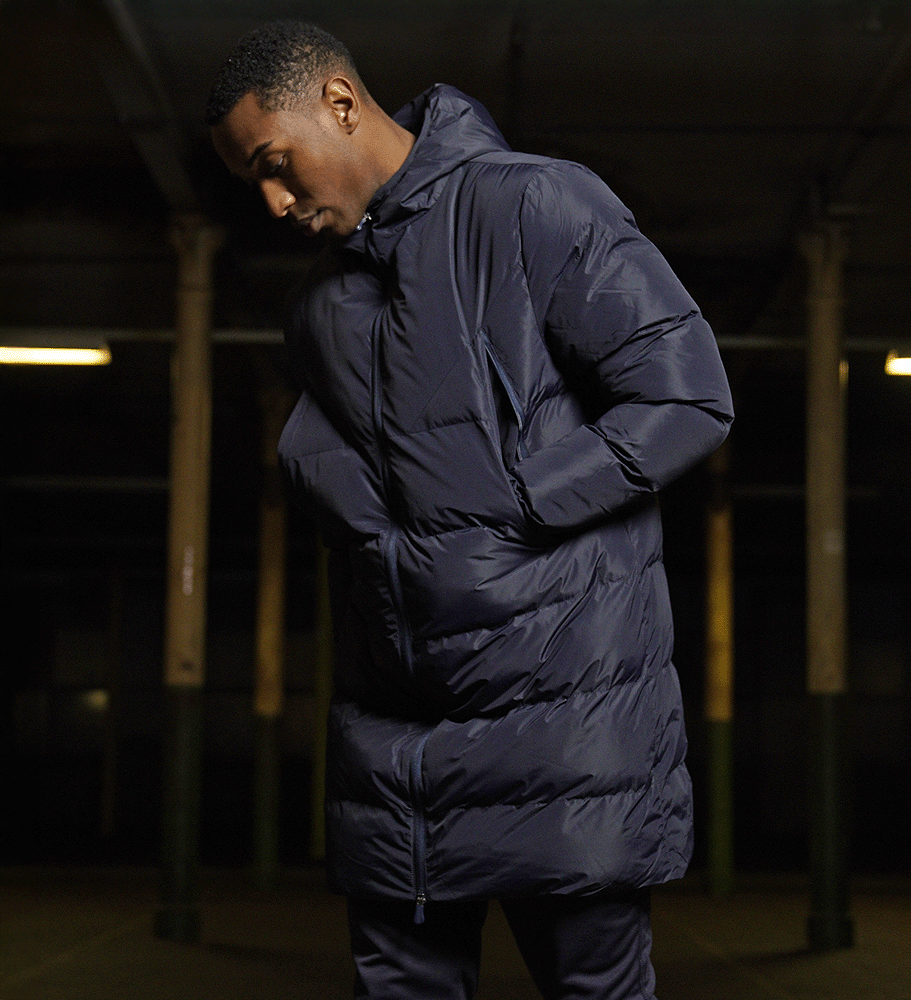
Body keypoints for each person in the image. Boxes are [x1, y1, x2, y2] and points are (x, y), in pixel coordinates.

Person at [208, 20, 733, 1000]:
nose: (274, 202)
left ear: (339, 103)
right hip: (392, 754)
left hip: (565, 736)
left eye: (275, 165)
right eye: (254, 184)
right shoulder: (316, 310)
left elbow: (687, 395)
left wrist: (515, 503)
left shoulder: (534, 203)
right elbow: (341, 493)